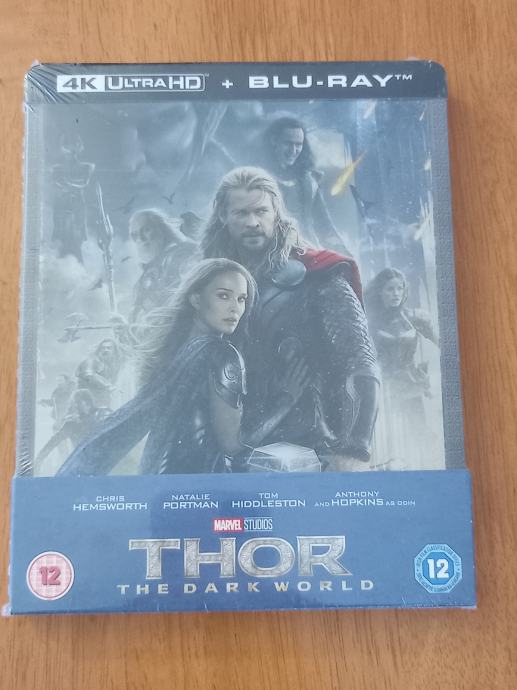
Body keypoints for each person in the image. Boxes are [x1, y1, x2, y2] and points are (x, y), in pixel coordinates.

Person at [57, 259, 306, 476]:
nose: (235, 308)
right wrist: (285, 402)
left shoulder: (176, 352)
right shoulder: (223, 355)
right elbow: (233, 444)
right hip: (201, 481)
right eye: (223, 296)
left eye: (241, 299)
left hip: (160, 476)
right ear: (196, 299)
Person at [202, 167, 379, 471]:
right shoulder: (210, 279)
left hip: (310, 442)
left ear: (276, 213)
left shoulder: (319, 278)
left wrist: (356, 446)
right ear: (223, 216)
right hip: (232, 444)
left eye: (261, 211)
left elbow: (360, 360)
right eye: (241, 213)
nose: (253, 222)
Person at [364, 268, 439, 468]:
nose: (396, 293)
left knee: (420, 432)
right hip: (384, 388)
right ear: (380, 292)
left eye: (400, 288)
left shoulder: (415, 318)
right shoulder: (370, 323)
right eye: (390, 289)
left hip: (411, 384)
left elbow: (444, 345)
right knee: (389, 441)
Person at [260, 117, 344, 249]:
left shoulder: (308, 182)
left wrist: (345, 256)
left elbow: (325, 227)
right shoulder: (257, 180)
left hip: (308, 251)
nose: (293, 150)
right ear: (274, 141)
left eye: (298, 145)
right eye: (288, 143)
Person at [129, 209, 198, 322]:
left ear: (162, 228)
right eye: (135, 235)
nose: (140, 238)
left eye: (146, 230)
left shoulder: (184, 254)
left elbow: (177, 300)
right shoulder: (151, 266)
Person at [36, 389, 111, 465]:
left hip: (106, 458)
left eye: (78, 402)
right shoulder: (72, 424)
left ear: (87, 402)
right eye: (74, 403)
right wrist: (40, 458)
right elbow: (54, 441)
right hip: (86, 461)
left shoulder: (103, 414)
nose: (75, 405)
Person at [75, 338, 122, 408]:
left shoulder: (110, 365)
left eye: (109, 348)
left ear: (114, 351)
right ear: (99, 350)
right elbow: (89, 375)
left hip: (101, 400)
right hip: (85, 401)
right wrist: (110, 387)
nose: (106, 350)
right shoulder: (91, 361)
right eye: (103, 348)